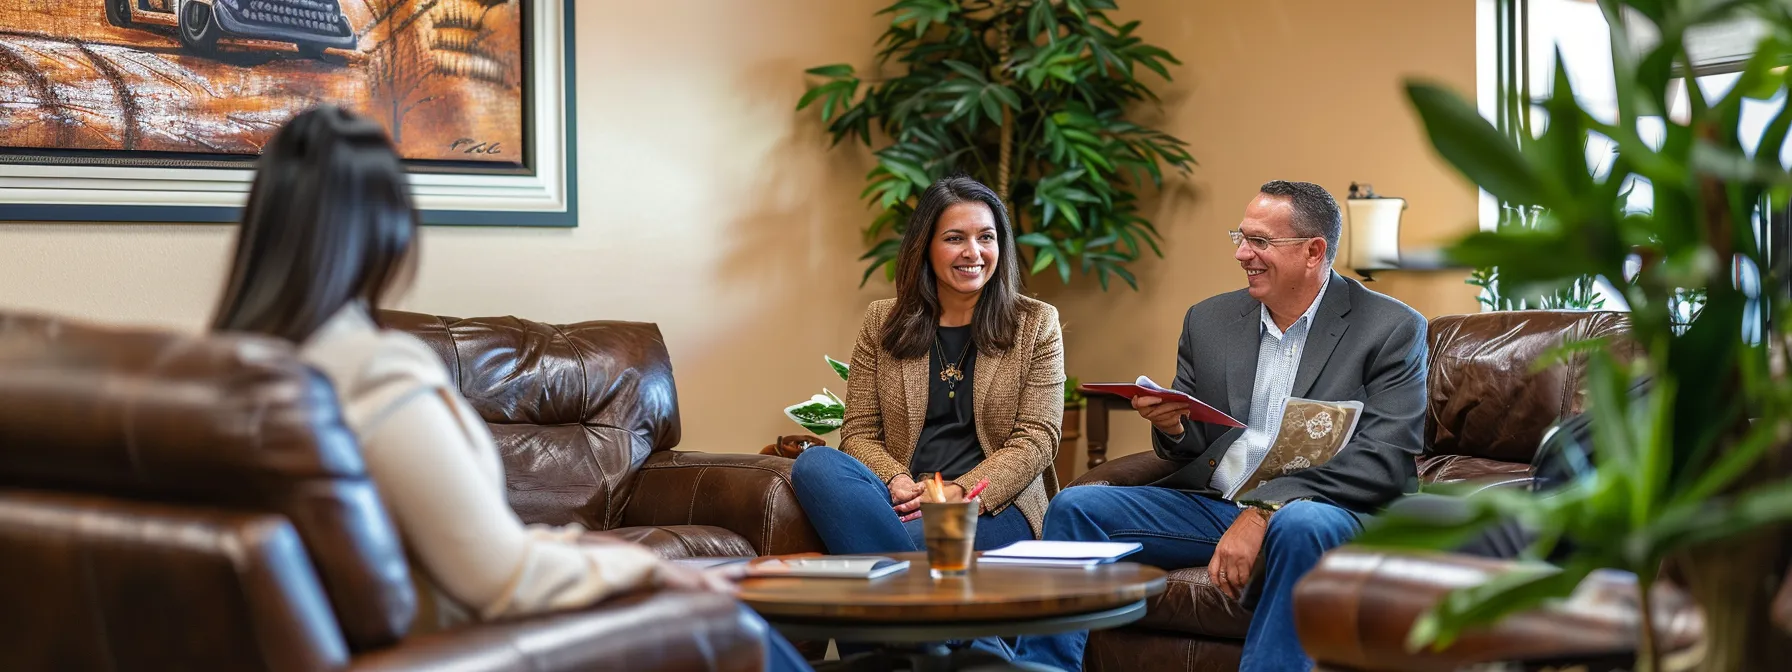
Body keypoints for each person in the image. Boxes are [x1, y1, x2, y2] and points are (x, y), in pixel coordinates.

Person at [209, 106, 811, 671]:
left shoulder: (223, 375)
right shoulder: (375, 373)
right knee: (731, 623)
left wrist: (607, 557)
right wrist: (651, 572)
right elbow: (498, 579)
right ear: (386, 232)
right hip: (458, 647)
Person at [1012, 181, 1430, 672]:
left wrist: (1263, 510)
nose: (1241, 253)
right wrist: (1171, 427)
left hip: (1329, 509)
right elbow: (1191, 449)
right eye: (1240, 236)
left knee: (1299, 522)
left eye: (1260, 242)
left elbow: (1384, 458)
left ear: (1313, 251)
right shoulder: (1208, 321)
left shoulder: (1390, 327)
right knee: (1077, 507)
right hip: (1215, 506)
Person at [790, 175, 1063, 557]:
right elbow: (859, 433)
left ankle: (886, 569)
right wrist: (898, 480)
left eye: (986, 237)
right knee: (815, 463)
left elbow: (1038, 437)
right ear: (926, 247)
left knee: (917, 543)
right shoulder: (882, 320)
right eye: (955, 238)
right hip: (901, 498)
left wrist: (957, 492)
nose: (974, 252)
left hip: (993, 502)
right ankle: (901, 567)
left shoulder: (1036, 323)